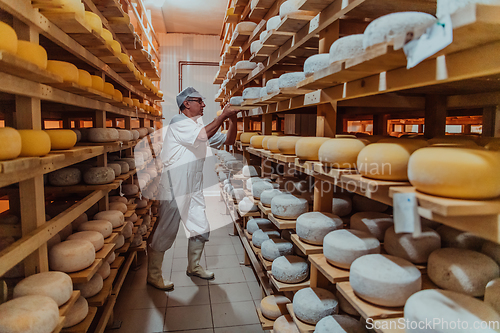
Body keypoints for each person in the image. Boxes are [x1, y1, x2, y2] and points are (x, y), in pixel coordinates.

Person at [147, 87, 239, 290]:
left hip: (193, 186)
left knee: (201, 226)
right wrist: (223, 115)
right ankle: (154, 275)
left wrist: (232, 120)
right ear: (186, 104)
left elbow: (229, 140)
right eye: (200, 101)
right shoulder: (179, 122)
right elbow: (201, 136)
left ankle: (194, 266)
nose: (204, 105)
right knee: (166, 230)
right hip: (174, 186)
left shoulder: (199, 126)